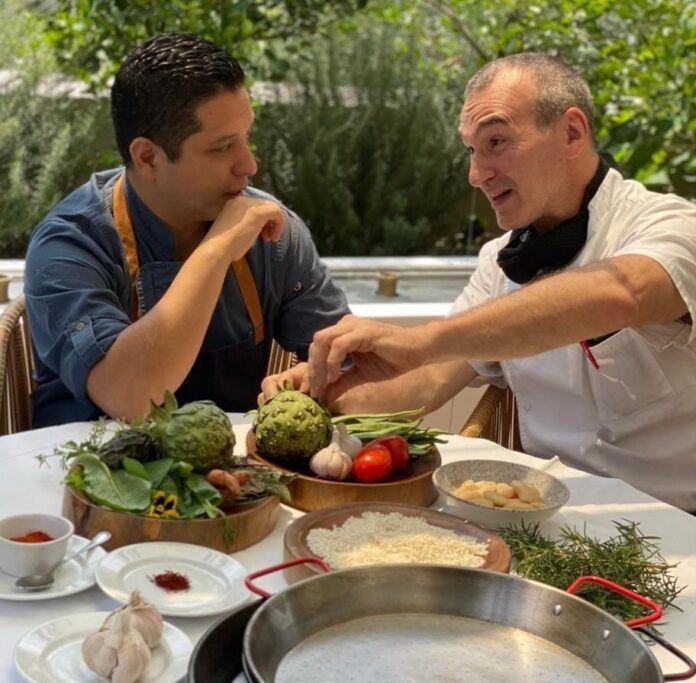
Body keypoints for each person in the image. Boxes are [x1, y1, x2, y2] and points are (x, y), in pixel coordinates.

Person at [266, 53, 696, 511]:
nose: (477, 174)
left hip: (673, 525)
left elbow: (619, 294)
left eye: (496, 141)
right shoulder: (500, 261)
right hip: (539, 517)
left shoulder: (670, 225)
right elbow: (430, 378)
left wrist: (424, 339)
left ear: (572, 132)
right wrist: (328, 390)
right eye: (472, 150)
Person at [24, 32, 349, 427]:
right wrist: (216, 250)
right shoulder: (70, 243)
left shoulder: (273, 235)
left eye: (246, 138)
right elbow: (131, 396)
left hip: (232, 479)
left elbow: (347, 361)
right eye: (222, 147)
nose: (249, 165)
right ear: (148, 158)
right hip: (78, 475)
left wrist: (318, 379)